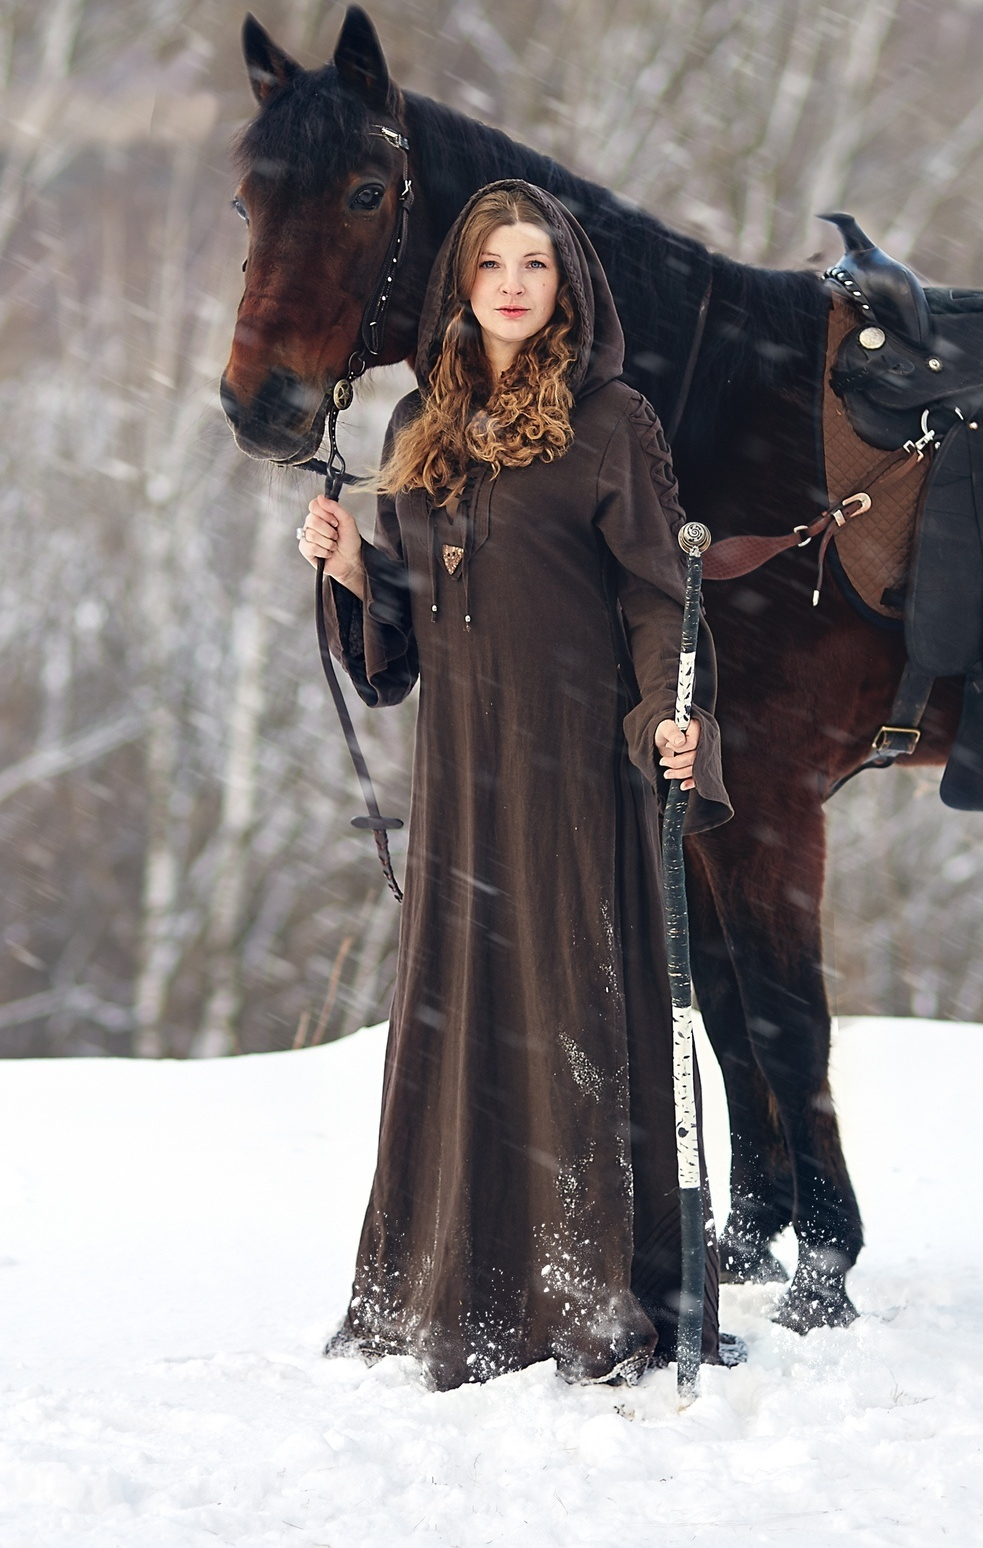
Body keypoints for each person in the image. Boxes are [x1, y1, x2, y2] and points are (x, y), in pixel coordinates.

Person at [298, 178, 729, 1390]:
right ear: (461, 286)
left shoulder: (609, 421)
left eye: (534, 264)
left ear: (564, 286)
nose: (512, 284)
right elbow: (405, 628)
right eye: (493, 264)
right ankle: (458, 1282)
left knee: (576, 1004)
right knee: (466, 1009)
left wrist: (673, 716)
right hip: (462, 773)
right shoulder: (412, 429)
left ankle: (595, 1290)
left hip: (576, 767)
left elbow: (661, 593)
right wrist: (345, 569)